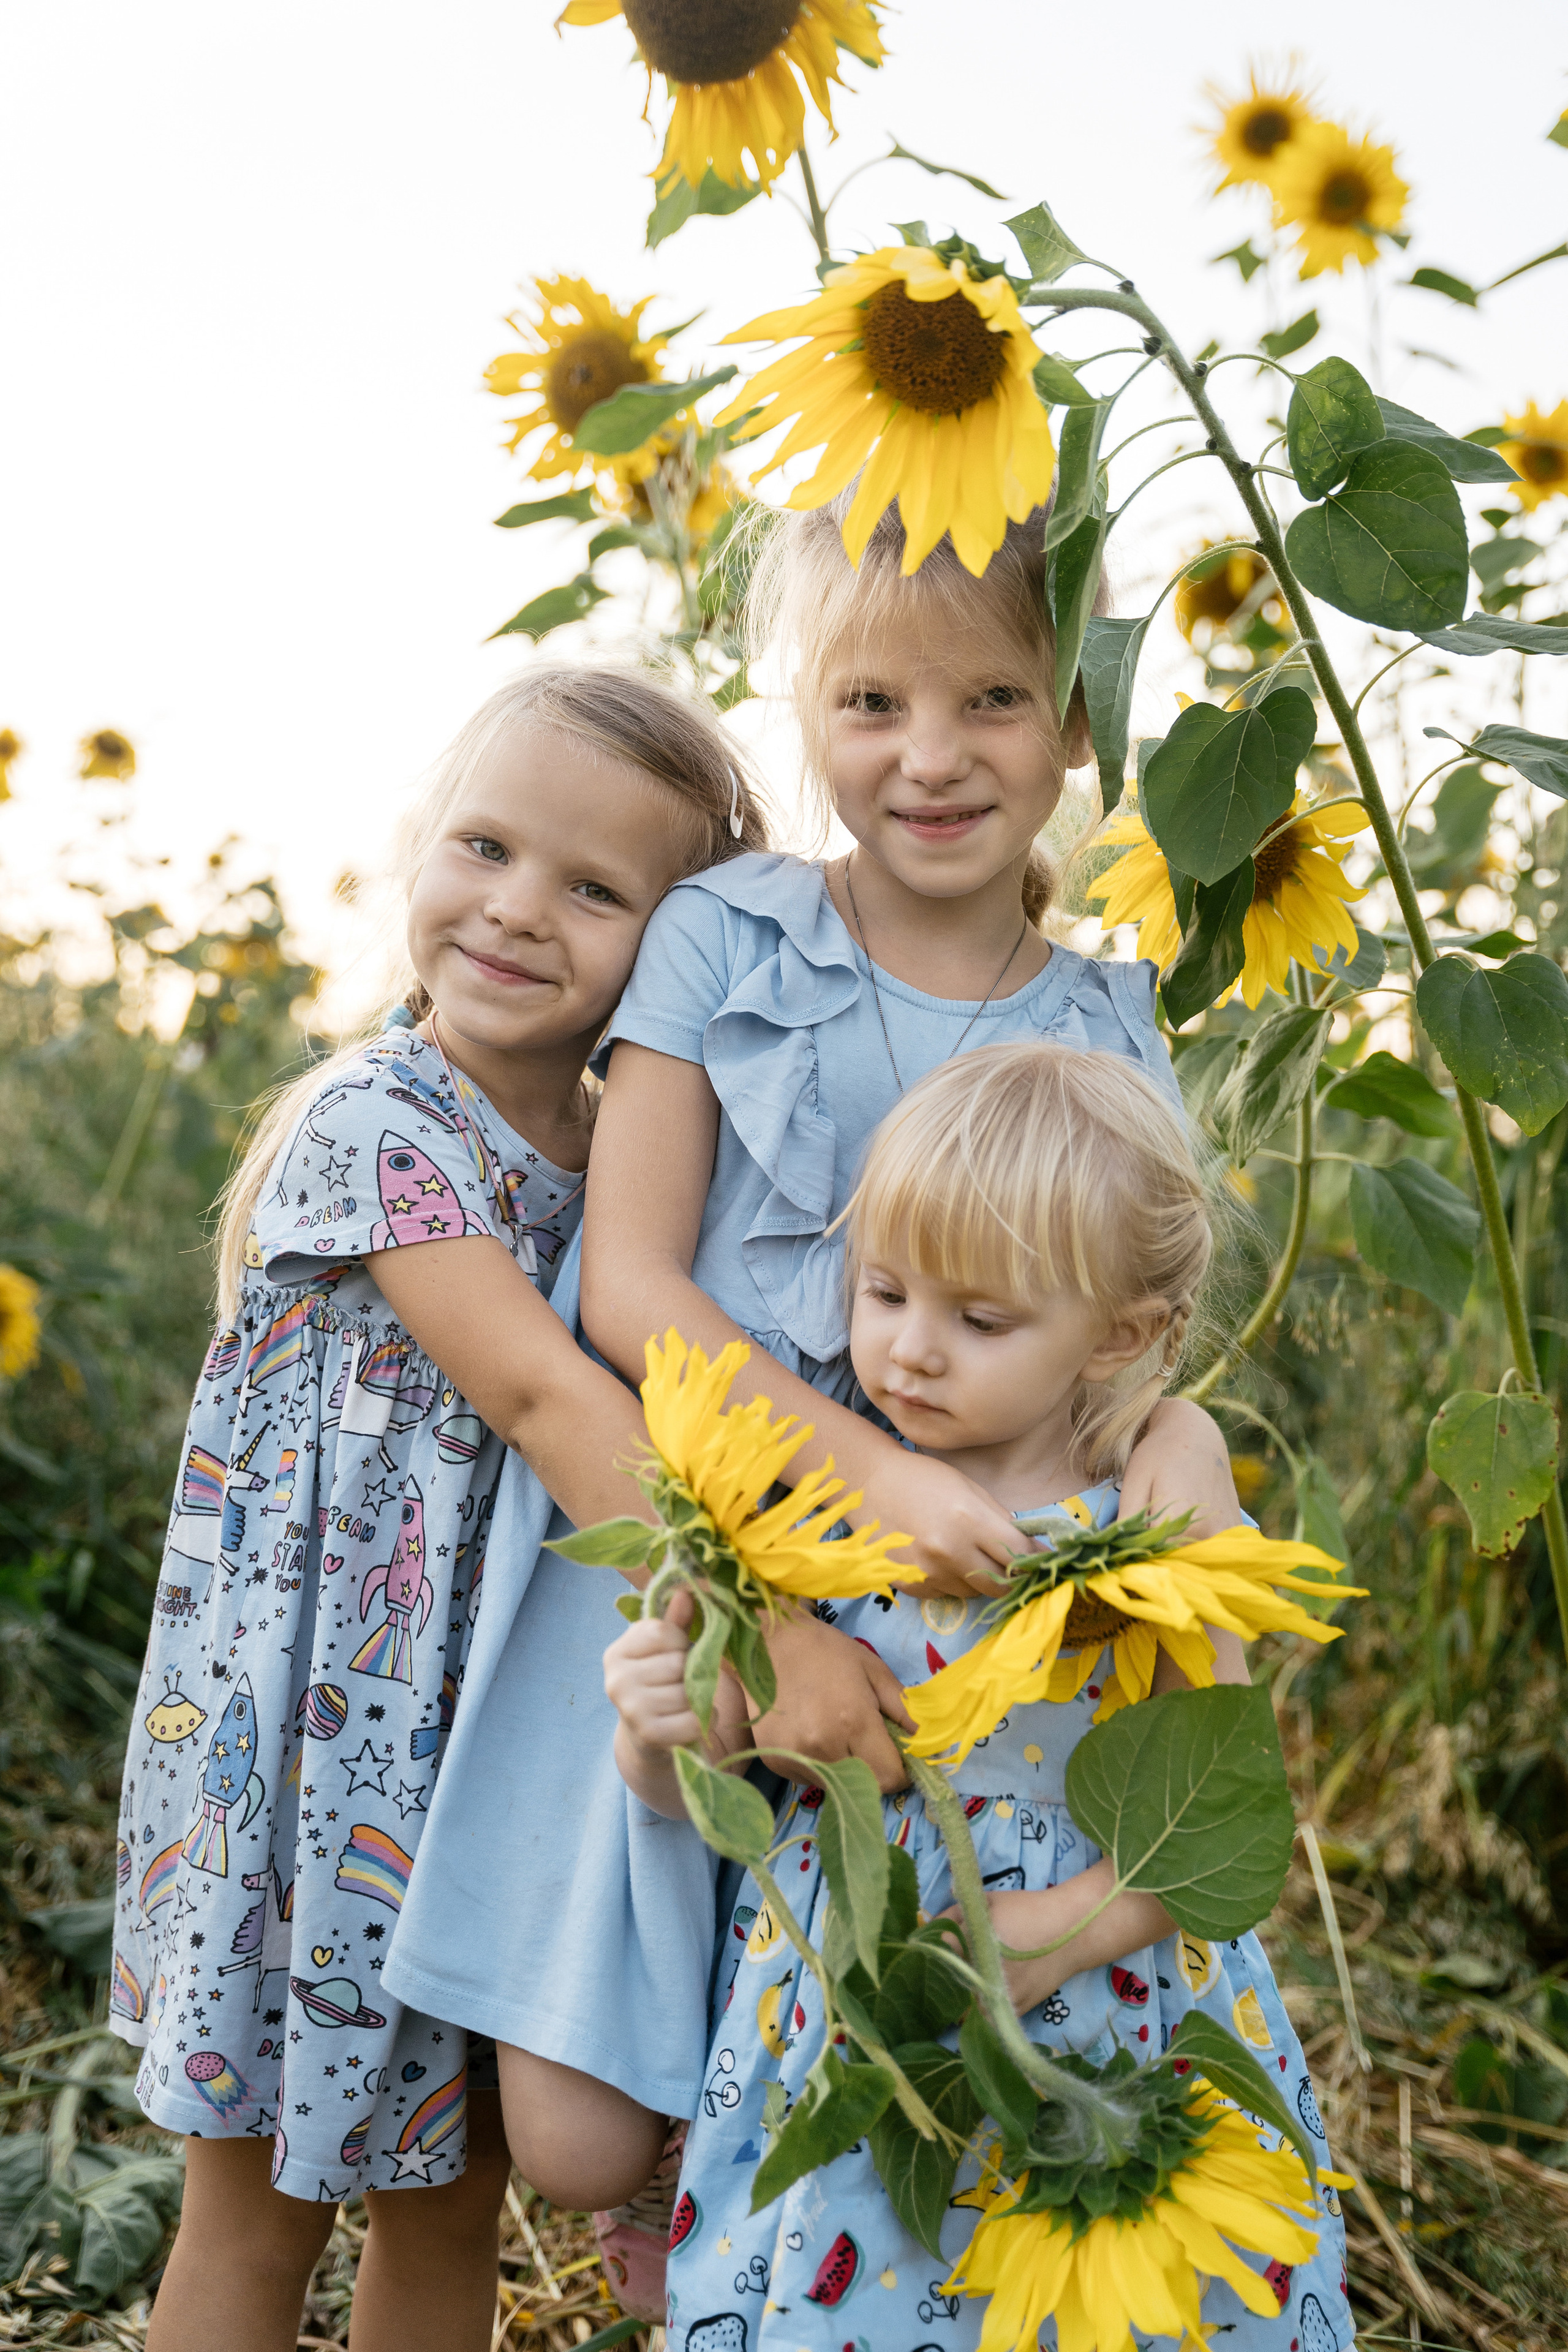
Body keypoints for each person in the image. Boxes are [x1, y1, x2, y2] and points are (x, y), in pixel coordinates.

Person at [383, 490, 1245, 2316]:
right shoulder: (728, 932)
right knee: (581, 2136)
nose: (929, 761)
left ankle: (777, 2274)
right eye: (868, 706)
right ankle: (697, 2237)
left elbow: (1135, 1340)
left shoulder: (1108, 1013)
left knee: (894, 2015)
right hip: (694, 1545)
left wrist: (1189, 1453)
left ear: (1073, 721)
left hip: (961, 1640)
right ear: (803, 712)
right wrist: (859, 1480)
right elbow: (631, 1291)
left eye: (992, 703)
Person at [113, 664, 767, 2352]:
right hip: (307, 1766)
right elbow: (553, 1400)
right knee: (256, 2219)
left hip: (480, 1770)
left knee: (447, 2214)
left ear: (672, 945)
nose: (515, 910)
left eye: (595, 887)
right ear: (422, 842)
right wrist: (764, 1611)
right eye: (483, 844)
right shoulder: (375, 1122)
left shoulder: (632, 1148)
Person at [606, 1039, 1355, 2352]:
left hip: (1109, 2011)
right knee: (859, 2284)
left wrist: (1053, 1935)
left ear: (1118, 1334)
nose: (909, 1352)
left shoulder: (1146, 1512)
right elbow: (707, 1786)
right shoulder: (810, 1509)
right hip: (861, 2014)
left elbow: (1222, 1819)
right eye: (883, 1292)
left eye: (980, 1319)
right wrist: (650, 1721)